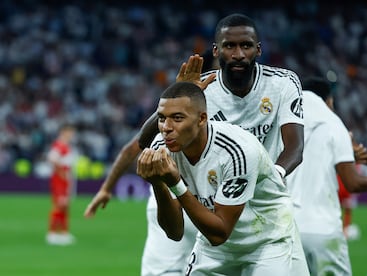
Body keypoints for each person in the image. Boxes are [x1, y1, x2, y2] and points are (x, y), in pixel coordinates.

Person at [84, 13, 305, 276]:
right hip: (207, 199)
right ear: (216, 50)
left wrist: (272, 175)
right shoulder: (199, 92)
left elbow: (295, 147)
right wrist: (180, 93)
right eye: (229, 46)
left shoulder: (282, 83)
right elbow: (143, 141)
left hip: (264, 206)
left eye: (245, 45)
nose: (238, 54)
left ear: (258, 49)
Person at [136, 81, 309, 275]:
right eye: (161, 118)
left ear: (202, 119)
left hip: (266, 240)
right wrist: (158, 183)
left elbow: (220, 233)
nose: (166, 127)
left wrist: (176, 184)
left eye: (177, 118)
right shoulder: (162, 147)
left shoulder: (237, 151)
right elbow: (175, 233)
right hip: (215, 248)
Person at [286, 77, 367, 275]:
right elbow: (353, 183)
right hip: (324, 230)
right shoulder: (333, 123)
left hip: (288, 231)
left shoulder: (284, 126)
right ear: (329, 100)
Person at [300, 76, 361, 240]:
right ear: (328, 101)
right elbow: (354, 183)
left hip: (292, 222)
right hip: (324, 226)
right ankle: (346, 229)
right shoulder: (335, 126)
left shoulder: (288, 126)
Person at [46, 123, 77, 246]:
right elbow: (52, 159)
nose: (72, 135)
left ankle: (64, 233)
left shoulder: (66, 146)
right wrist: (61, 173)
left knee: (65, 206)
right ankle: (52, 233)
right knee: (59, 205)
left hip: (66, 179)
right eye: (70, 132)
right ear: (64, 132)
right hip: (60, 180)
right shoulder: (59, 145)